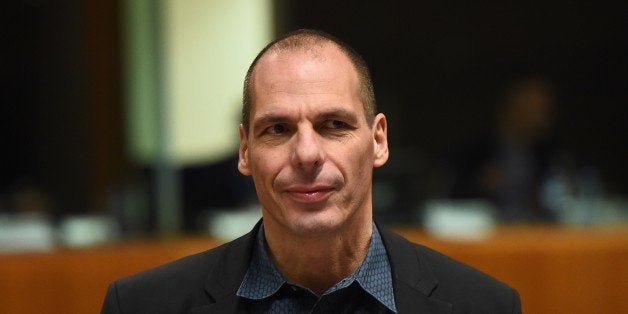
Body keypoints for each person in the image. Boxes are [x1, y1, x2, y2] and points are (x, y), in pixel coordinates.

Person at [101, 29, 521, 313]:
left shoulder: (482, 306)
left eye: (333, 125)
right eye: (278, 129)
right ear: (245, 150)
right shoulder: (142, 305)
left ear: (378, 141)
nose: (306, 153)